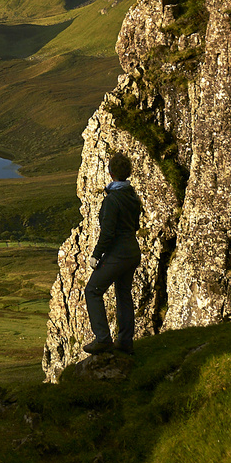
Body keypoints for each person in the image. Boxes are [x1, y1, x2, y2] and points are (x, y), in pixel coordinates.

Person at [82, 152, 143, 355]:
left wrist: (96, 255)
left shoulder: (112, 200)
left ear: (110, 173)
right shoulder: (132, 196)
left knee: (92, 290)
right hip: (132, 252)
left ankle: (103, 339)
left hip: (118, 254)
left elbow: (108, 233)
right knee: (123, 294)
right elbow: (134, 226)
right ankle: (125, 342)